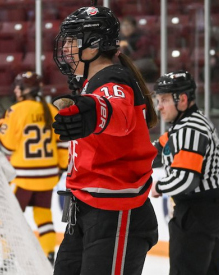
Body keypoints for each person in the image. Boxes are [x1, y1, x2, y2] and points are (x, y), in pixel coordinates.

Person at [51, 5, 159, 274]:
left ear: (94, 44)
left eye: (72, 41)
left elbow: (116, 114)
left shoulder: (112, 80)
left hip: (116, 214)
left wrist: (93, 113)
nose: (66, 49)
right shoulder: (93, 82)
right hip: (87, 211)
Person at [0, 71, 68, 266]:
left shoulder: (15, 110)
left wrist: (2, 124)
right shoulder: (50, 110)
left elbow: (8, 146)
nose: (16, 90)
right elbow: (63, 144)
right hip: (48, 175)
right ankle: (49, 254)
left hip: (24, 176)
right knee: (43, 214)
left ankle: (8, 258)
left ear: (25, 89)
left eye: (18, 86)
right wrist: (61, 168)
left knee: (10, 217)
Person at [151, 71, 219, 275]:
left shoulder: (189, 129)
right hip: (206, 213)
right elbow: (157, 150)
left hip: (197, 215)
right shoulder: (187, 125)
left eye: (163, 99)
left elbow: (186, 179)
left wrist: (158, 186)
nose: (159, 106)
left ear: (182, 99)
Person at [119, 16, 158, 82]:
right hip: (127, 62)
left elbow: (143, 53)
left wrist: (129, 59)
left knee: (130, 68)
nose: (126, 28)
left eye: (128, 25)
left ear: (134, 27)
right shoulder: (119, 39)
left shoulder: (142, 38)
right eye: (123, 25)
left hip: (143, 62)